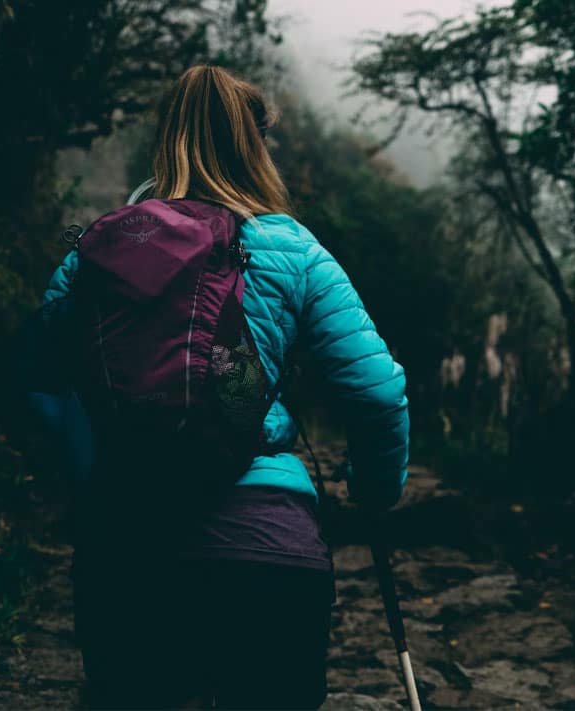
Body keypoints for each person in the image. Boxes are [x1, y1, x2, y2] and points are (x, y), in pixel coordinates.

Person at [37, 64, 409, 709]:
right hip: (266, 549)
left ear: (165, 137)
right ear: (254, 144)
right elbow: (376, 393)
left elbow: (41, 387)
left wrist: (92, 479)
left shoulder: (96, 252)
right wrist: (373, 491)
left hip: (127, 547)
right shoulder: (295, 249)